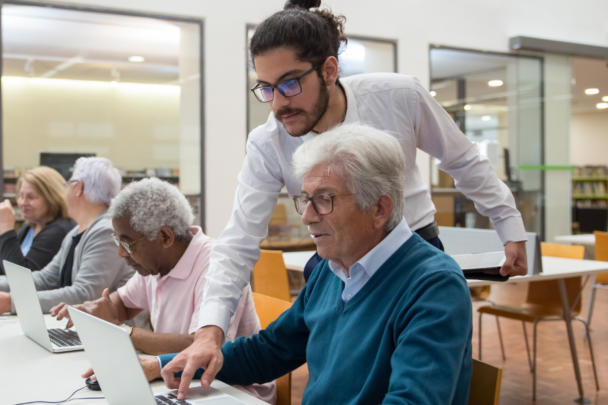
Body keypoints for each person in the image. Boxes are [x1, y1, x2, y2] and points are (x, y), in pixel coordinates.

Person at [167, 0, 529, 391]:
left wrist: (510, 227)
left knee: (408, 373)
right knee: (338, 374)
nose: (278, 104)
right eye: (266, 88)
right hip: (337, 260)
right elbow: (238, 242)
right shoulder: (269, 141)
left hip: (411, 252)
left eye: (289, 84)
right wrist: (209, 331)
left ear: (329, 69)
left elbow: (462, 160)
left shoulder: (396, 95)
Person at [151, 124, 473, 403]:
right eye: (305, 199)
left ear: (379, 208)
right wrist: (163, 363)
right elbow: (268, 351)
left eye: (324, 199)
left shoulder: (434, 285)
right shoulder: (332, 270)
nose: (306, 216)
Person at [50, 178, 276, 404]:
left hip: (232, 389)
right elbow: (122, 305)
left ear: (165, 237)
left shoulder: (216, 267)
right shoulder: (155, 266)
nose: (120, 252)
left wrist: (122, 331)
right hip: (180, 379)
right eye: (117, 240)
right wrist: (90, 313)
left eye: (127, 243)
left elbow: (199, 347)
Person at [0, 157, 134, 315]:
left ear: (78, 187)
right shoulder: (76, 231)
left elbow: (84, 294)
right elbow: (45, 279)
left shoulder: (106, 232)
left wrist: (12, 302)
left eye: (68, 184)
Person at [0, 167, 75, 274]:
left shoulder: (58, 231)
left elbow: (21, 276)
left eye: (31, 197)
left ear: (52, 198)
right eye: (21, 196)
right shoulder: (30, 225)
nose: (22, 203)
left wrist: (6, 230)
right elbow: (5, 263)